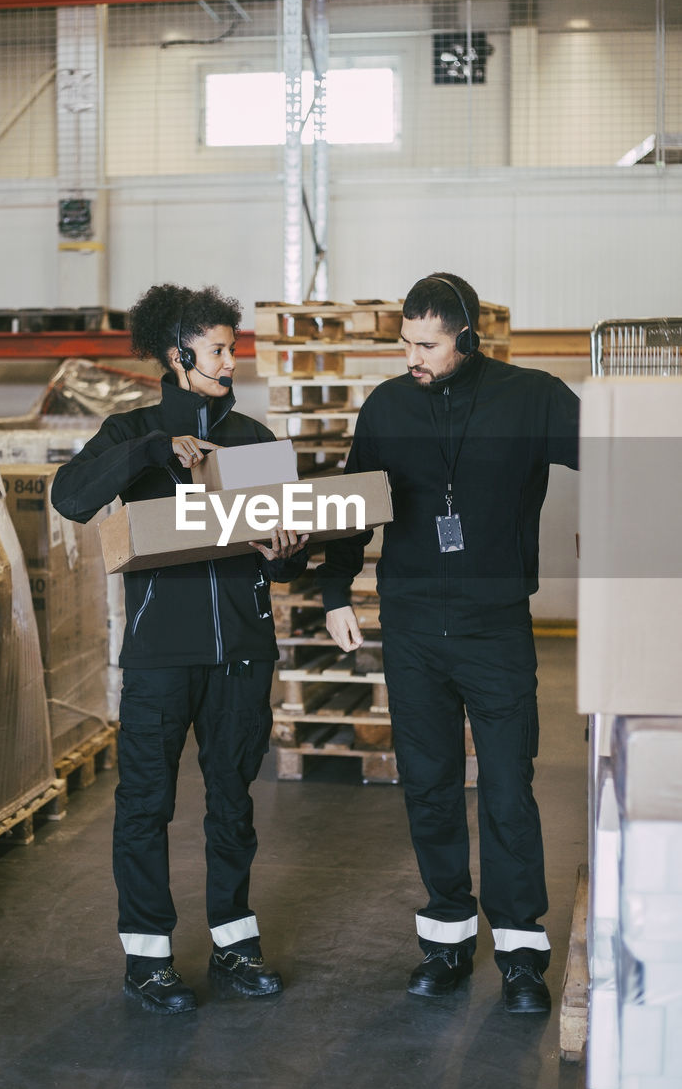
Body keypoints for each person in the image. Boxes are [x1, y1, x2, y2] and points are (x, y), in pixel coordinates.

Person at [316, 272, 579, 1014]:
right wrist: (336, 593)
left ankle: (521, 952)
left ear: (465, 336)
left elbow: (616, 461)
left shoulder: (532, 397)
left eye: (426, 344)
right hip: (410, 628)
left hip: (494, 627)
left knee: (505, 788)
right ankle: (445, 939)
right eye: (404, 343)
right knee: (428, 788)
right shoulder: (388, 405)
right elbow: (350, 506)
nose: (412, 357)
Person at [51, 283, 308, 1015]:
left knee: (232, 803)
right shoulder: (130, 434)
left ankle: (234, 945)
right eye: (220, 348)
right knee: (144, 804)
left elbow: (282, 557)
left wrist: (285, 553)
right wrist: (152, 450)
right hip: (162, 656)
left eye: (232, 347)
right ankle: (147, 959)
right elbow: (70, 498)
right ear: (177, 354)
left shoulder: (254, 441)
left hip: (243, 654)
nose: (232, 358)